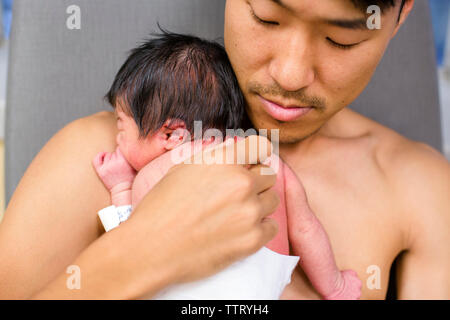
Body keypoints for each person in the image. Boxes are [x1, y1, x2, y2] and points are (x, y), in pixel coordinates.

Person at [0, 0, 449, 299]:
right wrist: (141, 252)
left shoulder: (419, 188)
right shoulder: (101, 156)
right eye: (266, 18)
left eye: (341, 39)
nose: (290, 75)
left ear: (403, 11)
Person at [92, 31, 361, 299]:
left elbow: (129, 251)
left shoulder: (154, 175)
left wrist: (121, 186)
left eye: (121, 125)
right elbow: (306, 229)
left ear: (172, 135)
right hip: (263, 287)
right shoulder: (265, 158)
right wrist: (335, 287)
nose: (117, 138)